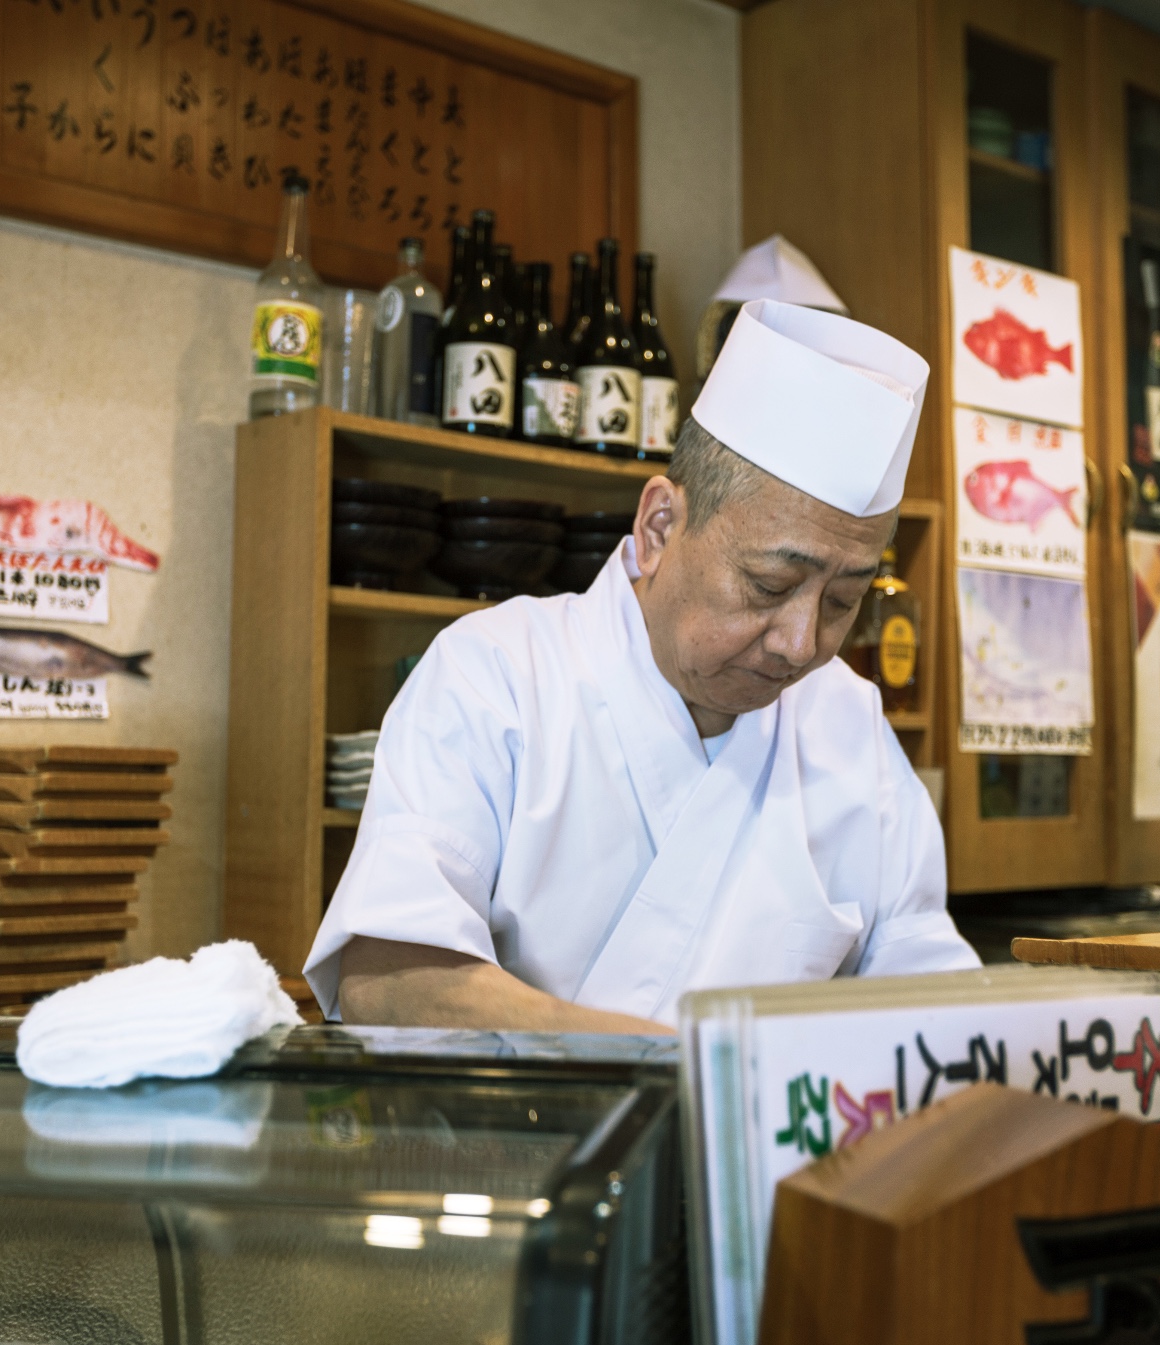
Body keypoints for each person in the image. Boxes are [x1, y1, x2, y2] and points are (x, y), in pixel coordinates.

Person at [303, 300, 978, 1034]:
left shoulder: (848, 724)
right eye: (771, 586)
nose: (801, 643)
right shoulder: (496, 675)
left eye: (843, 600)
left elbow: (932, 1002)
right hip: (513, 1147)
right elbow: (391, 974)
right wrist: (674, 1069)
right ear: (660, 526)